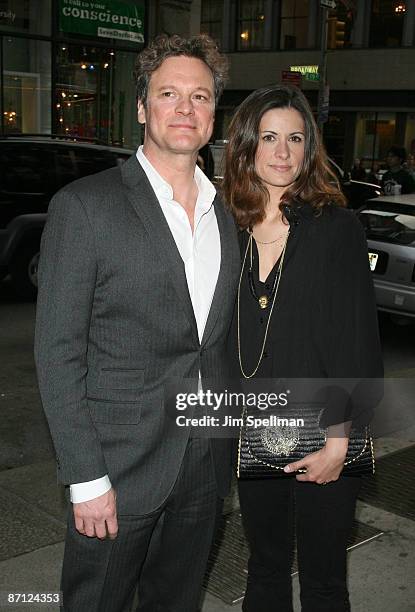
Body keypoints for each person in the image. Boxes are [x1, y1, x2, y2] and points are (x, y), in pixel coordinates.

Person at [35, 34, 240, 612]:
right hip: (117, 467)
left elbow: (216, 343)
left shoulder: (228, 212)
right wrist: (85, 477)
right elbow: (57, 351)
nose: (185, 108)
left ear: (212, 114)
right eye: (169, 94)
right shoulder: (85, 206)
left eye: (199, 97)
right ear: (143, 108)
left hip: (204, 462)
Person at [223, 85, 383, 612]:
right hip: (254, 432)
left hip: (326, 432)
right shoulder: (226, 227)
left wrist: (338, 443)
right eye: (268, 137)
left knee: (322, 579)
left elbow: (355, 339)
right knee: (264, 568)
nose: (283, 152)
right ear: (246, 146)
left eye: (295, 138)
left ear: (310, 148)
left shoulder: (336, 228)